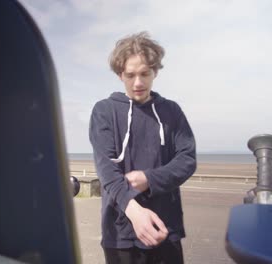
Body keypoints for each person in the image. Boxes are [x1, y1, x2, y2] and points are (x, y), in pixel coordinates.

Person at [89, 31, 197, 264]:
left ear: (155, 72)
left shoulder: (171, 111)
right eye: (130, 75)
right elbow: (106, 169)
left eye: (144, 74)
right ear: (120, 75)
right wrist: (134, 210)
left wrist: (150, 178)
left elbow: (187, 159)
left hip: (164, 226)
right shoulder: (104, 111)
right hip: (120, 232)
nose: (138, 83)